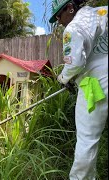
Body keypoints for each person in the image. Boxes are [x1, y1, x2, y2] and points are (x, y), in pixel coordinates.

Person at [49, 0, 108, 179]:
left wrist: (63, 78)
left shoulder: (73, 29)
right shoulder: (102, 13)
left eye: (59, 15)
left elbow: (74, 64)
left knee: (87, 139)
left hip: (96, 83)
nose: (59, 21)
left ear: (70, 7)